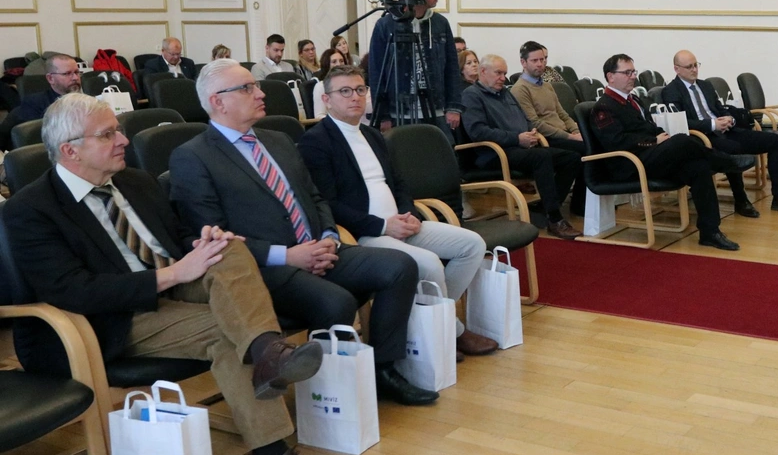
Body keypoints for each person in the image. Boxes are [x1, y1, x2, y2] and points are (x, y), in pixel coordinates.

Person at [5, 93, 341, 455]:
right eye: (108, 134)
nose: (123, 140)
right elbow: (73, 291)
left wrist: (202, 242)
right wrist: (172, 275)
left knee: (229, 250)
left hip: (173, 283)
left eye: (119, 130)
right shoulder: (31, 209)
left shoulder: (135, 181)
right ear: (70, 150)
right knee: (228, 333)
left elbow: (175, 237)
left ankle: (268, 351)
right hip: (109, 318)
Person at [169, 60, 436, 405]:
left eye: (256, 86)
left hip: (318, 247)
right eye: (247, 88)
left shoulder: (278, 140)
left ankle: (382, 369)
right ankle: (326, 397)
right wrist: (289, 255)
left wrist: (329, 237)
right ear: (217, 101)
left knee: (400, 266)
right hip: (262, 268)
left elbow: (315, 197)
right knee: (336, 301)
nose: (261, 93)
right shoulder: (193, 156)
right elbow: (214, 238)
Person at [298, 65, 497, 359]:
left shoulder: (373, 135)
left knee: (472, 245)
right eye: (345, 91)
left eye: (360, 89)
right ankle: (451, 331)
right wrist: (383, 226)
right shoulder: (315, 142)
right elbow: (328, 204)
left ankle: (430, 323)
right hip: (364, 234)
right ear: (327, 100)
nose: (355, 97)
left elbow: (399, 183)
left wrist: (408, 213)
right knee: (429, 264)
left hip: (402, 224)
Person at [592, 54, 743, 251]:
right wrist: (655, 141)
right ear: (610, 77)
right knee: (681, 140)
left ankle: (710, 232)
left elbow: (650, 127)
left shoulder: (633, 99)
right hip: (629, 164)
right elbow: (616, 142)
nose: (633, 76)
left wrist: (660, 136)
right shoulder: (603, 107)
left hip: (649, 157)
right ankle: (727, 162)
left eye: (633, 72)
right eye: (627, 72)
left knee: (698, 167)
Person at [663, 50, 778, 215]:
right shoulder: (671, 91)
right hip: (703, 137)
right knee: (732, 148)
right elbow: (681, 122)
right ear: (677, 69)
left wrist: (729, 119)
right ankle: (741, 199)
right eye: (689, 67)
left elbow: (720, 108)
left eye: (696, 65)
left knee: (774, 141)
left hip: (726, 130)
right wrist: (713, 124)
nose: (694, 70)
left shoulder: (705, 85)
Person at [462, 54, 582, 239]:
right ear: (483, 72)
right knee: (541, 157)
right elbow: (478, 132)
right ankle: (555, 219)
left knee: (571, 158)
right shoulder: (471, 95)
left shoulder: (505, 92)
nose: (503, 78)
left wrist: (531, 132)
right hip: (494, 153)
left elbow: (524, 119)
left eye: (504, 74)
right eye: (498, 73)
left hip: (519, 147)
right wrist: (516, 138)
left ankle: (544, 208)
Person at [367, 0, 462, 134]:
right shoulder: (386, 25)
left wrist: (453, 106)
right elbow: (376, 72)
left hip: (435, 108)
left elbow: (452, 68)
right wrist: (383, 115)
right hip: (399, 111)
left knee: (442, 150)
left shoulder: (440, 23)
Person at [510, 41, 587, 214]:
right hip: (546, 138)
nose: (540, 64)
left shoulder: (546, 85)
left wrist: (576, 131)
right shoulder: (520, 89)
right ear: (523, 62)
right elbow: (535, 123)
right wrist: (570, 137)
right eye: (535, 60)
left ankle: (581, 202)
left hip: (562, 133)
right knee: (584, 150)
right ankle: (570, 204)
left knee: (590, 146)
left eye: (543, 59)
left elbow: (562, 114)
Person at [0, 52, 82, 149]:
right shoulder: (34, 104)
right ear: (50, 78)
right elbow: (43, 141)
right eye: (67, 74)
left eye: (77, 72)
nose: (75, 78)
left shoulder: (86, 101)